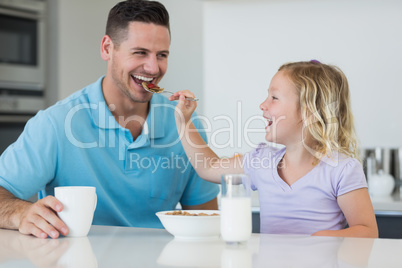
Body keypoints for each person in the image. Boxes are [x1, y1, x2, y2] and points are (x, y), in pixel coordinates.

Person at [0, 0, 219, 239]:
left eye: (162, 55)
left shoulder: (186, 125)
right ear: (107, 48)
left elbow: (206, 224)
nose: (153, 67)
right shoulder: (56, 123)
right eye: (140, 52)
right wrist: (21, 213)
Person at [170, 60, 378, 238]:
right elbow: (209, 167)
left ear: (310, 112)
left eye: (274, 98)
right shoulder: (262, 161)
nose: (263, 104)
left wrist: (320, 239)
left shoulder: (342, 169)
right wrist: (184, 122)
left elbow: (368, 231)